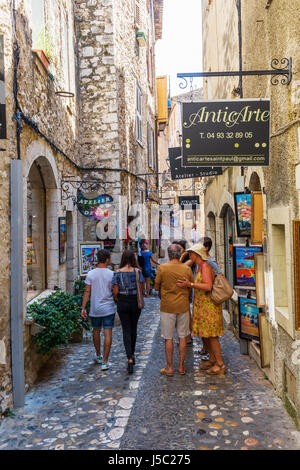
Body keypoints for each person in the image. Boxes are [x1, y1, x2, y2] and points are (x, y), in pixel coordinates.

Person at [177, 243, 226, 376]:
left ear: (197, 255)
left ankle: (220, 364)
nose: (190, 255)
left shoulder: (205, 266)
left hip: (208, 306)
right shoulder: (200, 266)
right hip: (203, 305)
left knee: (212, 335)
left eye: (191, 254)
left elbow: (208, 286)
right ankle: (212, 359)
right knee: (207, 335)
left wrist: (190, 284)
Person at [154, 244, 194, 377]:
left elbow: (156, 287)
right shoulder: (186, 269)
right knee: (182, 336)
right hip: (182, 306)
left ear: (169, 254)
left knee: (168, 337)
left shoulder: (162, 268)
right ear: (179, 254)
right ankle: (181, 367)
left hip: (167, 306)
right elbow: (189, 289)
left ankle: (169, 367)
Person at [81, 249, 116, 370]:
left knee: (96, 331)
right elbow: (114, 291)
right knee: (108, 333)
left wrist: (83, 307)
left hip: (95, 308)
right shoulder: (111, 274)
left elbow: (87, 291)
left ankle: (99, 355)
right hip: (108, 308)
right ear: (107, 260)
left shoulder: (91, 274)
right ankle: (105, 362)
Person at [112, 250, 145, 374]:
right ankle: (133, 354)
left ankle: (129, 358)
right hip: (135, 302)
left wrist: (118, 298)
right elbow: (141, 289)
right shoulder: (138, 272)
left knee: (126, 329)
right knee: (133, 328)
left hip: (122, 301)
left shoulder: (117, 273)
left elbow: (115, 291)